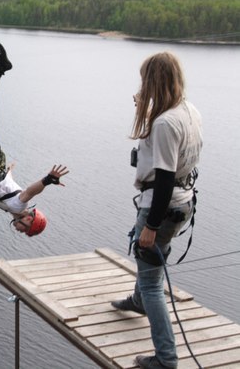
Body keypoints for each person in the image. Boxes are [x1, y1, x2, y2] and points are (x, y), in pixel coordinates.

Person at [111, 52, 203, 369]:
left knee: (152, 285)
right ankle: (137, 302)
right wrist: (143, 110)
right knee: (149, 268)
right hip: (183, 204)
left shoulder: (164, 123)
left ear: (153, 81)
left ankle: (166, 358)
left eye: (144, 80)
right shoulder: (187, 111)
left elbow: (163, 179)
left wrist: (150, 226)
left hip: (161, 206)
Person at [0, 43, 69, 237]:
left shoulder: (9, 207)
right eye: (24, 230)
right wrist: (47, 180)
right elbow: (31, 191)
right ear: (29, 220)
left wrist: (9, 171)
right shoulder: (21, 204)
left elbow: (8, 183)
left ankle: (0, 69)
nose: (19, 231)